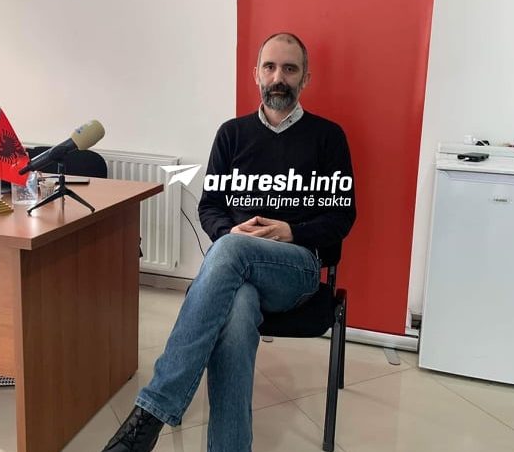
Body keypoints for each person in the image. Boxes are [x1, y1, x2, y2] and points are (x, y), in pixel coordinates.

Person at [102, 32, 356, 452]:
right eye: (270, 67)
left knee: (229, 253)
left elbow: (342, 217)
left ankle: (151, 412)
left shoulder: (328, 137)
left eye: (290, 69)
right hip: (235, 271)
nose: (278, 77)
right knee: (236, 311)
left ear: (305, 78)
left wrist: (290, 231)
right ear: (256, 74)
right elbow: (211, 208)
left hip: (296, 269)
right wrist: (228, 232)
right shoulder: (232, 134)